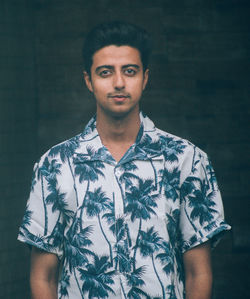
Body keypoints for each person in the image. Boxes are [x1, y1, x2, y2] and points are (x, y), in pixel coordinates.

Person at [18, 21, 231, 299]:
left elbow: (198, 273)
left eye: (129, 71)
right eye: (105, 72)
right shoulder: (55, 165)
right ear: (88, 81)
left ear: (145, 78)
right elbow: (42, 276)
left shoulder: (186, 160)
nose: (119, 82)